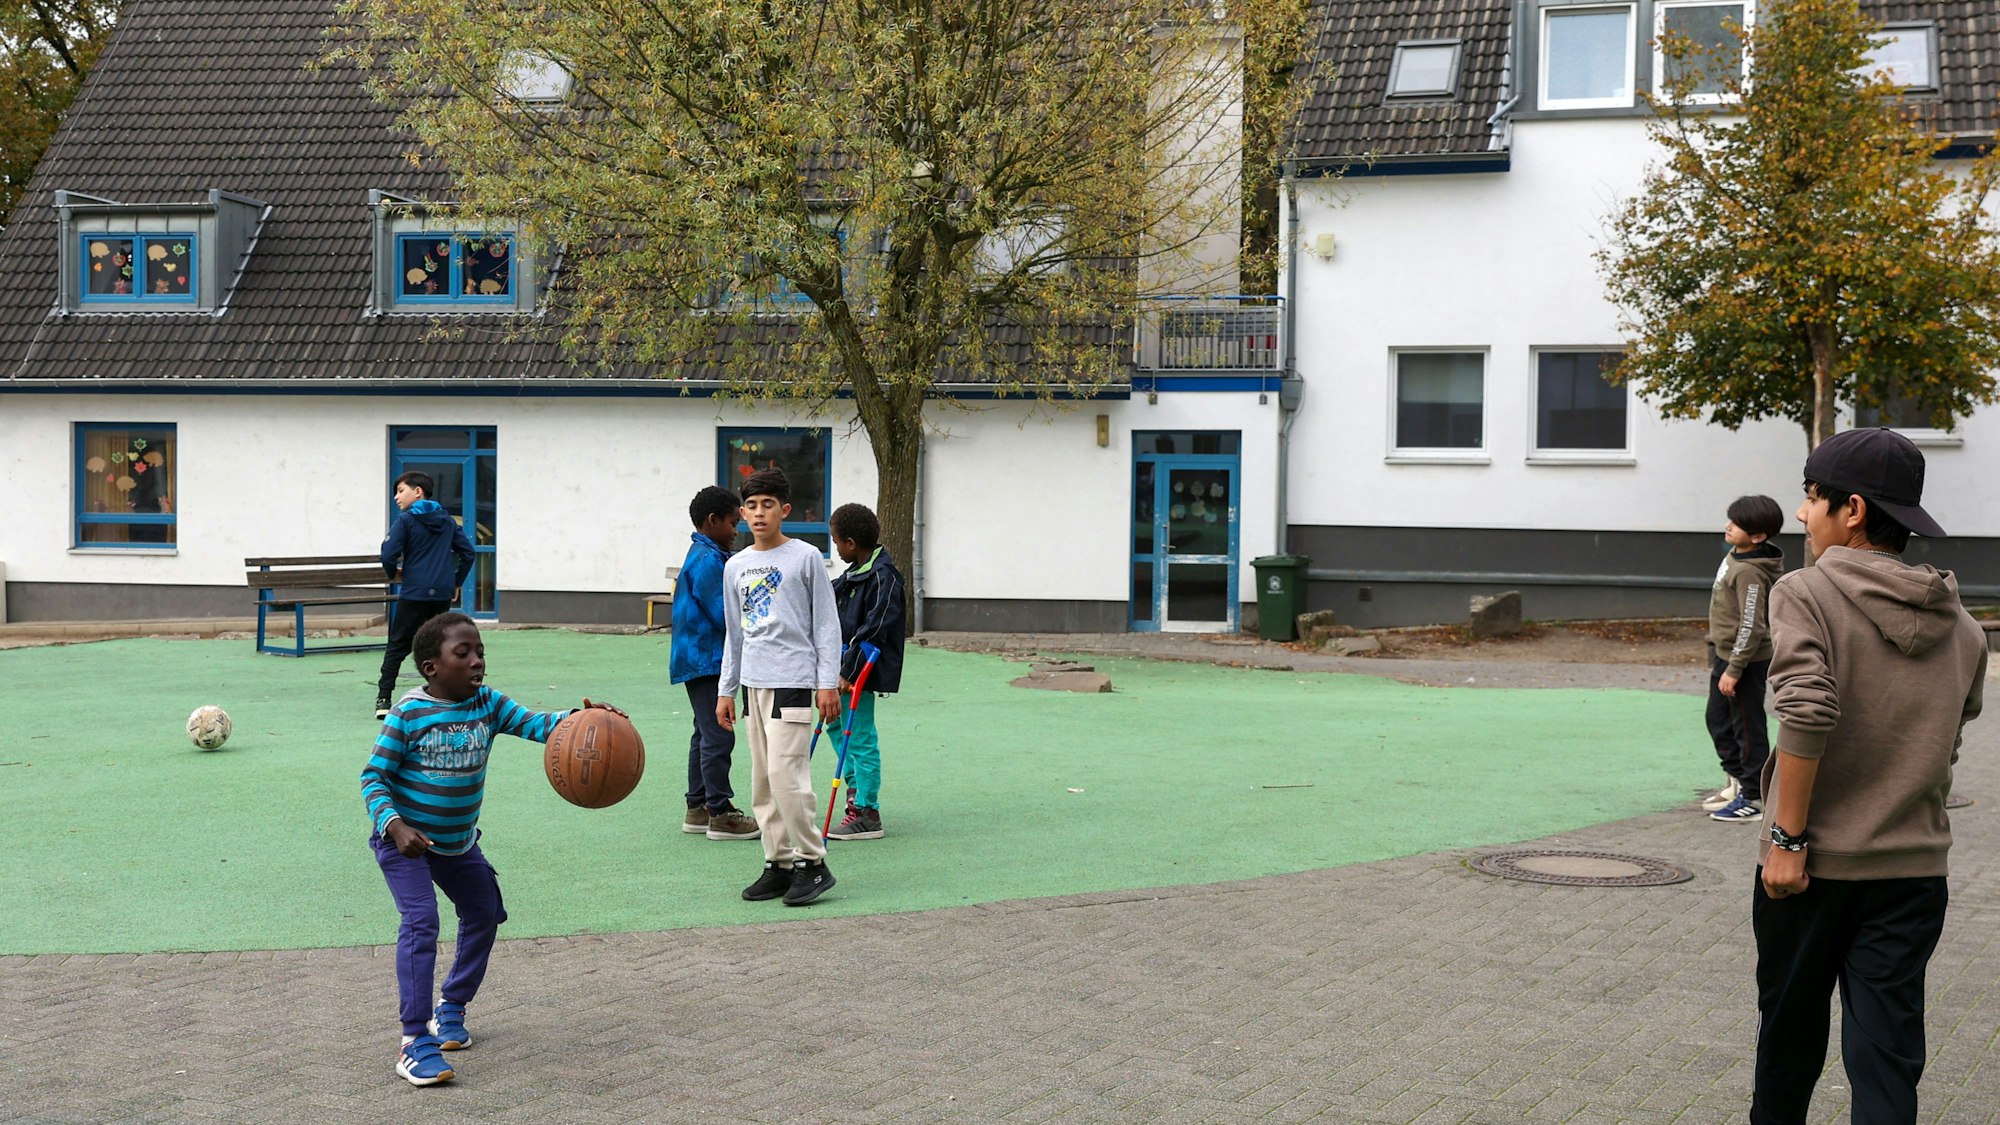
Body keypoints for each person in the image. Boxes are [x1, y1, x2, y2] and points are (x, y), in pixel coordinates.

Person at [1752, 427, 1986, 1124]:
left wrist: (1788, 839)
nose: (1800, 513)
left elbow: (1806, 708)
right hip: (1913, 873)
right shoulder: (1966, 627)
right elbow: (1947, 740)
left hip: (1813, 868)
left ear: (1851, 509)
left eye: (1811, 497)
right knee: (1887, 1059)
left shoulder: (1805, 593)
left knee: (1789, 1047)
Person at [360, 611, 623, 1086]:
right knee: (422, 923)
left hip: (458, 843)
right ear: (431, 668)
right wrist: (394, 825)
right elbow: (373, 777)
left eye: (480, 651)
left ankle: (451, 1008)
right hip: (406, 843)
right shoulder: (409, 713)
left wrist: (589, 719)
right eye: (463, 654)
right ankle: (414, 1042)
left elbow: (542, 725)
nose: (477, 661)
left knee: (484, 913)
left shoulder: (488, 704)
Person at [716, 467, 843, 906]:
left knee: (788, 776)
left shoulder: (806, 558)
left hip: (793, 679)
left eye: (767, 505)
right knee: (762, 782)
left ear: (784, 510)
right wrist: (725, 689)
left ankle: (813, 862)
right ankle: (779, 863)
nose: (758, 513)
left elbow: (827, 625)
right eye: (750, 506)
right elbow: (735, 632)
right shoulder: (736, 565)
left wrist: (827, 682)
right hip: (753, 683)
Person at [670, 485, 759, 841]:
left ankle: (698, 806)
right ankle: (720, 812)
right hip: (705, 659)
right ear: (712, 521)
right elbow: (727, 614)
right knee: (718, 734)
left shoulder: (707, 554)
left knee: (704, 732)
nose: (737, 531)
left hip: (699, 658)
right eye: (732, 523)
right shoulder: (708, 560)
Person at [825, 503, 907, 841]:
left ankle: (867, 811)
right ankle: (855, 790)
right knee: (834, 725)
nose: (834, 547)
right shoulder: (853, 573)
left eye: (835, 541)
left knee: (859, 736)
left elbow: (875, 629)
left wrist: (849, 671)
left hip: (861, 671)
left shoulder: (884, 577)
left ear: (850, 542)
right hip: (842, 666)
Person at [1702, 495, 1785, 824]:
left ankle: (1753, 795)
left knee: (1747, 727)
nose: (1728, 526)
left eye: (1735, 524)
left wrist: (1735, 669)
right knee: (1718, 721)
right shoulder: (1736, 556)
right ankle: (1738, 780)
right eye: (1730, 520)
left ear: (1758, 537)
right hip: (1726, 656)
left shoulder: (1751, 571)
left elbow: (1752, 624)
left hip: (1745, 662)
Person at [376, 471, 476, 719]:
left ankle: (383, 699)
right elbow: (468, 553)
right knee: (439, 646)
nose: (397, 498)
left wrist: (393, 574)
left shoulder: (406, 520)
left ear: (418, 491)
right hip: (441, 593)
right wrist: (456, 582)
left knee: (398, 645)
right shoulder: (448, 521)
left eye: (400, 491)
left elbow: (388, 554)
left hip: (415, 592)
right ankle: (441, 696)